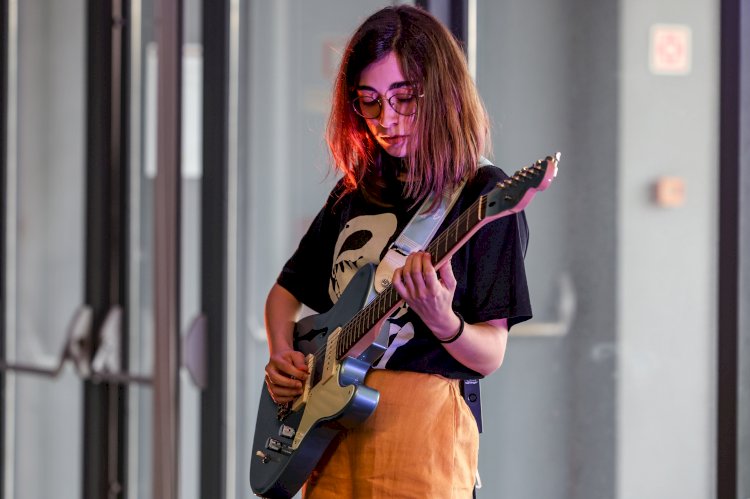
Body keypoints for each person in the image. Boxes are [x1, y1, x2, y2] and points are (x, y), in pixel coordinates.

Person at [262, 5, 531, 498]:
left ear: (443, 92)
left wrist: (442, 319)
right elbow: (284, 294)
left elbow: (491, 352)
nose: (386, 120)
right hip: (328, 424)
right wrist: (283, 355)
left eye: (404, 98)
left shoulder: (483, 196)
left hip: (424, 427)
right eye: (369, 101)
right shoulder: (354, 192)